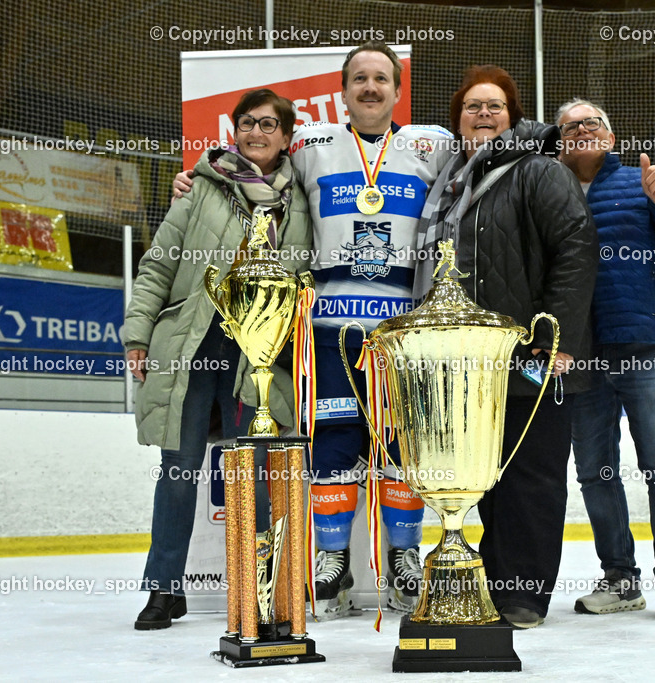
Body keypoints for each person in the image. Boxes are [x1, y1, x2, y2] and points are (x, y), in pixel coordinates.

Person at [174, 42, 454, 618]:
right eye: (359, 79)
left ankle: (403, 556)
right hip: (327, 326)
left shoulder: (432, 145)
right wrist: (198, 180)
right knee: (332, 442)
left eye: (381, 78)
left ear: (398, 89)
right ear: (344, 89)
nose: (370, 88)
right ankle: (331, 564)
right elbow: (257, 163)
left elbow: (485, 168)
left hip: (404, 329)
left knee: (401, 445)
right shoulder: (313, 144)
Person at [415, 65, 598, 628]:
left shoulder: (538, 171)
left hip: (531, 354)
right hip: (468, 361)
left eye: (496, 106)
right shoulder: (449, 184)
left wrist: (553, 338)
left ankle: (524, 595)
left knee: (532, 475)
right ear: (458, 121)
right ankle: (493, 584)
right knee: (487, 477)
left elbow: (576, 248)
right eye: (473, 107)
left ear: (513, 117)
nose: (485, 115)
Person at [123, 89, 311, 630]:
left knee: (250, 473)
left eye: (268, 124)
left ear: (287, 136)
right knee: (177, 471)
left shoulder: (300, 198)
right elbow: (157, 266)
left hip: (258, 352)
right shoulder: (198, 188)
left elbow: (306, 271)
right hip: (191, 343)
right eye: (248, 123)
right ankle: (163, 589)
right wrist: (137, 336)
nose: (257, 133)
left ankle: (258, 589)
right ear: (235, 131)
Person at [556, 98, 655, 621]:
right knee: (595, 472)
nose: (581, 130)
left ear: (610, 135)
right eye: (571, 125)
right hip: (580, 355)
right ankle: (620, 578)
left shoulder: (643, 181)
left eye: (592, 122)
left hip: (648, 346)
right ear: (560, 138)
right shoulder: (548, 187)